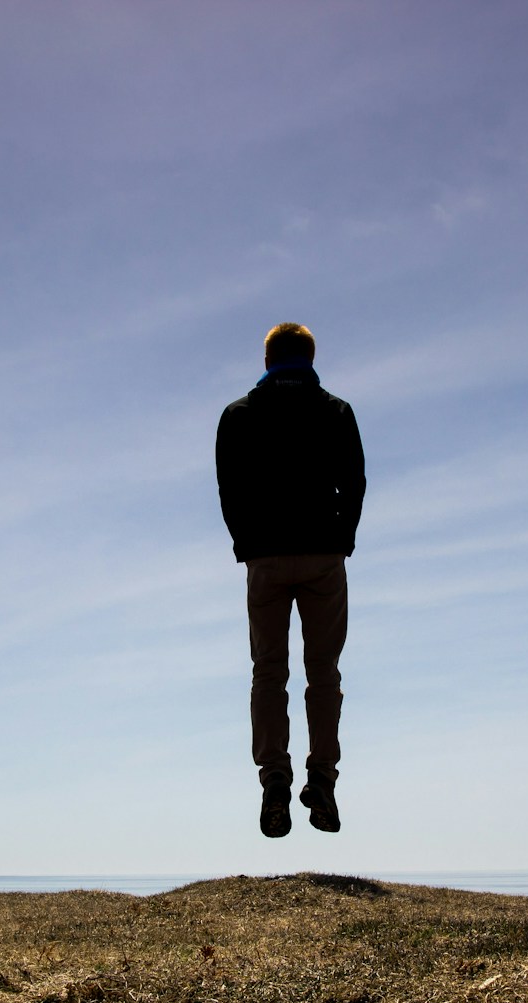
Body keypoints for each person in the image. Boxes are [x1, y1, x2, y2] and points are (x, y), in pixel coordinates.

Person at [215, 322, 366, 837]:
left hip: (267, 561)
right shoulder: (335, 411)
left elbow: (228, 489)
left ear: (266, 362)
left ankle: (274, 781)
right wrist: (341, 539)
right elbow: (356, 482)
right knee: (323, 672)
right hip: (324, 555)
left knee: (268, 672)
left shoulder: (239, 415)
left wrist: (247, 545)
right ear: (310, 357)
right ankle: (321, 779)